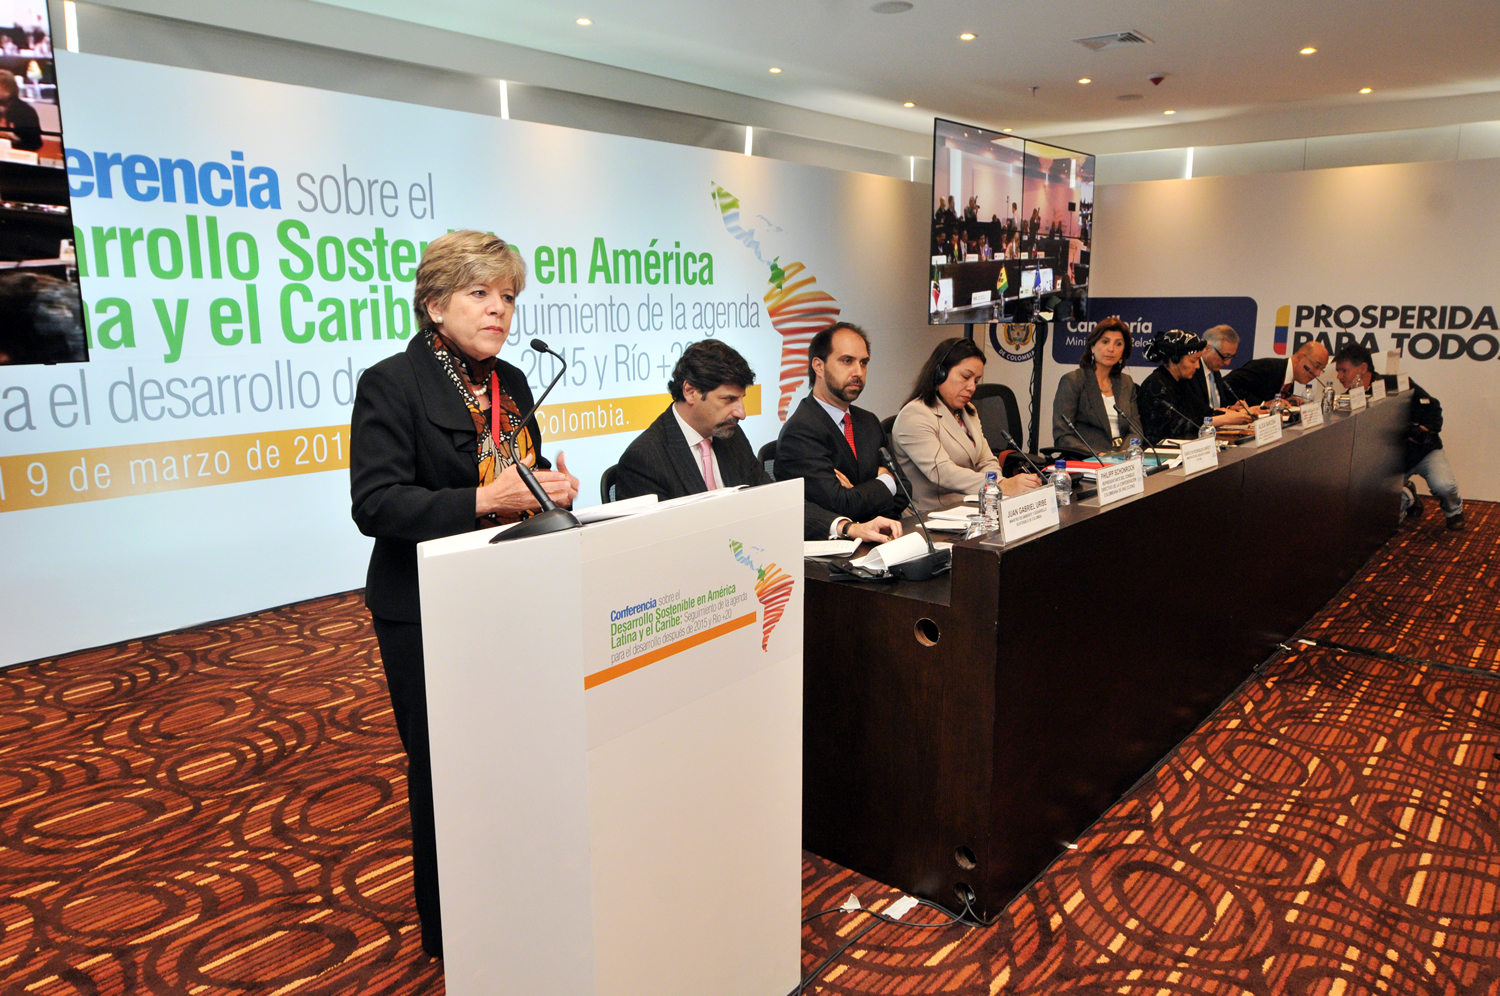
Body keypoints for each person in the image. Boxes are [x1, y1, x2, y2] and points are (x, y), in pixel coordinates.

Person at [350, 230, 580, 959]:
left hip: (510, 595)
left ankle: (519, 893)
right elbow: (375, 504)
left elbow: (520, 477)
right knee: (447, 770)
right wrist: (485, 501)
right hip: (425, 610)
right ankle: (453, 932)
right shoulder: (392, 382)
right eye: (479, 293)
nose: (498, 309)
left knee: (516, 757)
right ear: (434, 305)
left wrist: (550, 491)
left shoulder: (511, 382)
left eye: (507, 296)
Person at [613, 339, 847, 540]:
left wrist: (844, 527)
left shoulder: (731, 436)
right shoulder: (645, 459)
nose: (741, 413)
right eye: (729, 400)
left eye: (741, 399)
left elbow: (771, 501)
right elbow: (655, 549)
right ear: (690, 392)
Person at [775, 322, 906, 542]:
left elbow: (904, 492)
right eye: (847, 361)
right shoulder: (800, 431)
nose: (858, 372)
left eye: (863, 363)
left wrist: (857, 492)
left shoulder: (868, 421)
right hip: (834, 553)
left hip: (881, 539)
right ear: (818, 366)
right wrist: (885, 481)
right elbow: (841, 506)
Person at [891, 336, 1043, 513]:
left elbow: (986, 460)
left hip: (968, 506)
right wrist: (1000, 485)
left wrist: (995, 490)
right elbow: (942, 472)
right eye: (965, 377)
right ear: (940, 373)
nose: (972, 387)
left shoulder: (968, 411)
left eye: (976, 381)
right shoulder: (915, 414)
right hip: (931, 514)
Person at [1333, 342, 1463, 530]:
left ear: (1362, 368)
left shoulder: (1398, 384)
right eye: (1338, 371)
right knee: (1376, 514)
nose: (1339, 377)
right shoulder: (1347, 400)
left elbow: (1432, 406)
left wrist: (1425, 429)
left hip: (1422, 452)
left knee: (1444, 486)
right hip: (1389, 463)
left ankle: (1454, 512)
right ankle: (1408, 495)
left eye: (1344, 371)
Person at [1051, 315, 1142, 457]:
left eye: (1118, 344)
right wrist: (1098, 455)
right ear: (1092, 347)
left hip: (1121, 460)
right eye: (1105, 342)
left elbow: (1135, 430)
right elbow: (1062, 435)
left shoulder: (1126, 382)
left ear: (1124, 351)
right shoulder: (1073, 381)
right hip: (1087, 459)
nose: (1111, 349)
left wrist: (1123, 453)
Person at [1137, 329, 1214, 441]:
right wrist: (1224, 419)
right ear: (1175, 359)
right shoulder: (1156, 385)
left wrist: (1229, 412)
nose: (1198, 366)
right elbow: (1176, 427)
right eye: (1193, 361)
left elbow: (1204, 411)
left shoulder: (1181, 383)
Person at [1224, 341, 1330, 407]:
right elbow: (1227, 383)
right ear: (1300, 357)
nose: (1317, 374)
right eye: (1316, 366)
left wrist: (1286, 400)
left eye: (1322, 369)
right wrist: (1262, 404)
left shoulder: (1289, 379)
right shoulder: (1267, 367)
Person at [1190, 325, 1254, 422]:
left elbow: (1216, 408)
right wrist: (1227, 416)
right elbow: (1195, 414)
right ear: (1207, 348)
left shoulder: (1215, 372)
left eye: (1232, 357)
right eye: (1225, 356)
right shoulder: (1191, 373)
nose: (1227, 363)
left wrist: (1230, 409)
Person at [0, 72, 40, 152]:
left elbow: (35, 143)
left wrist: (13, 138)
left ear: (8, 89)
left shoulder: (25, 111)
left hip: (15, 156)